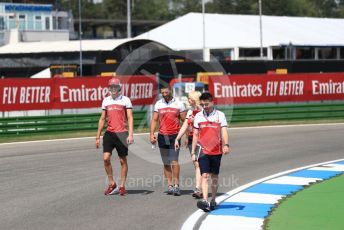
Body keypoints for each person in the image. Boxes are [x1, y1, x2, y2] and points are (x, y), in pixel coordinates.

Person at [191, 92, 230, 211]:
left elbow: (224, 131)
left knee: (214, 177)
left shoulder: (220, 115)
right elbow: (195, 135)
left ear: (212, 102)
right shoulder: (198, 116)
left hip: (216, 150)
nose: (205, 106)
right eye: (202, 105)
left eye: (206, 104)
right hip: (203, 151)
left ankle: (213, 199)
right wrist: (193, 152)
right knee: (204, 175)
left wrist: (226, 145)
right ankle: (205, 200)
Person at [96, 77, 134, 196]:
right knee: (106, 158)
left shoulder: (125, 100)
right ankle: (112, 183)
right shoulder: (106, 100)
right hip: (109, 133)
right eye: (111, 87)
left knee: (123, 161)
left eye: (115, 87)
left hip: (122, 133)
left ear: (119, 88)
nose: (112, 89)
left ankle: (122, 185)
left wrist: (131, 134)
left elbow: (130, 117)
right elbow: (102, 118)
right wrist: (97, 136)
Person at [150, 85, 186, 196]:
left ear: (170, 91)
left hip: (175, 136)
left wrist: (187, 137)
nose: (164, 94)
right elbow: (155, 120)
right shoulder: (158, 104)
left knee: (174, 161)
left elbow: (185, 121)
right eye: (162, 93)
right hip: (162, 136)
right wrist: (151, 134)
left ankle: (176, 185)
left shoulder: (179, 104)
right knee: (166, 162)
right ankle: (170, 185)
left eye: (166, 92)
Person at [174, 91, 203, 198]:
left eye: (190, 99)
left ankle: (198, 188)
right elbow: (185, 125)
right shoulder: (190, 111)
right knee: (196, 164)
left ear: (194, 99)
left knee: (197, 164)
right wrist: (177, 138)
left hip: (202, 140)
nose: (188, 100)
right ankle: (199, 187)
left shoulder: (203, 110)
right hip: (192, 139)